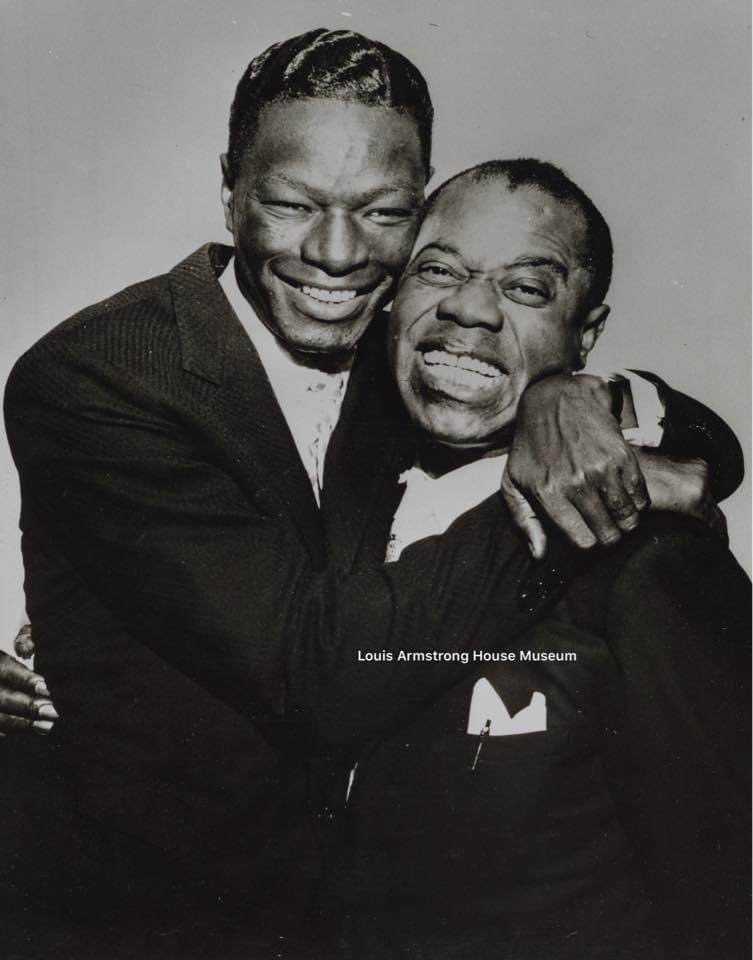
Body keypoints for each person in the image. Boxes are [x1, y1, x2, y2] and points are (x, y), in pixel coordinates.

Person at [0, 30, 743, 958]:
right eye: (289, 203)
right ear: (230, 185)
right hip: (145, 920)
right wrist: (603, 490)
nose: (337, 254)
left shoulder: (395, 358)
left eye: (386, 214)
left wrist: (588, 404)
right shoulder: (99, 375)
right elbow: (316, 664)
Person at [317, 159, 749, 960]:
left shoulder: (652, 564)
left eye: (525, 288)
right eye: (438, 269)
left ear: (585, 334)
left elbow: (726, 891)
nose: (468, 309)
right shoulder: (331, 500)